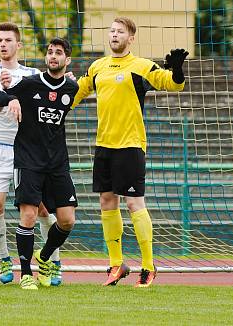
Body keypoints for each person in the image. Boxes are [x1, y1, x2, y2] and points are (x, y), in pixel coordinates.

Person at [73, 17, 187, 288]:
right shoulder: (97, 67)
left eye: (120, 32)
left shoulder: (142, 66)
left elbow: (172, 84)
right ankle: (116, 264)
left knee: (134, 203)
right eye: (111, 31)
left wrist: (178, 72)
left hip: (131, 145)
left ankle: (148, 266)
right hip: (105, 145)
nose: (114, 35)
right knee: (106, 202)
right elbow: (75, 93)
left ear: (131, 38)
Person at [0, 22, 64, 285]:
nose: (3, 44)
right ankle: (4, 259)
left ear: (18, 45)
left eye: (8, 40)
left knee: (41, 209)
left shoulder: (33, 75)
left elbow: (49, 95)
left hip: (27, 151)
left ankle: (53, 261)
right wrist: (9, 94)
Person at [0, 38, 79, 290]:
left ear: (67, 60)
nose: (53, 56)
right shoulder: (30, 83)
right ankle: (26, 273)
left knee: (67, 220)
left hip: (58, 163)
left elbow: (80, 90)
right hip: (29, 161)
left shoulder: (71, 88)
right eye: (50, 52)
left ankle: (43, 256)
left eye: (59, 53)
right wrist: (9, 98)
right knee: (29, 215)